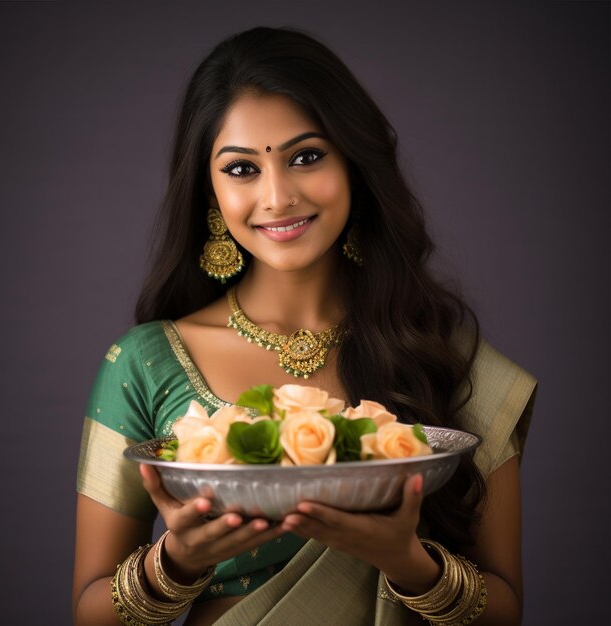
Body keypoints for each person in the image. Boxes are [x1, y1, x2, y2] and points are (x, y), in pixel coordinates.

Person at [72, 26, 537, 626]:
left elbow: (505, 611)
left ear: (355, 165)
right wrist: (175, 565)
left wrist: (408, 563)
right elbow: (88, 612)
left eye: (307, 157)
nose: (277, 196)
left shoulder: (442, 356)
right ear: (209, 191)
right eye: (241, 169)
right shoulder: (145, 363)